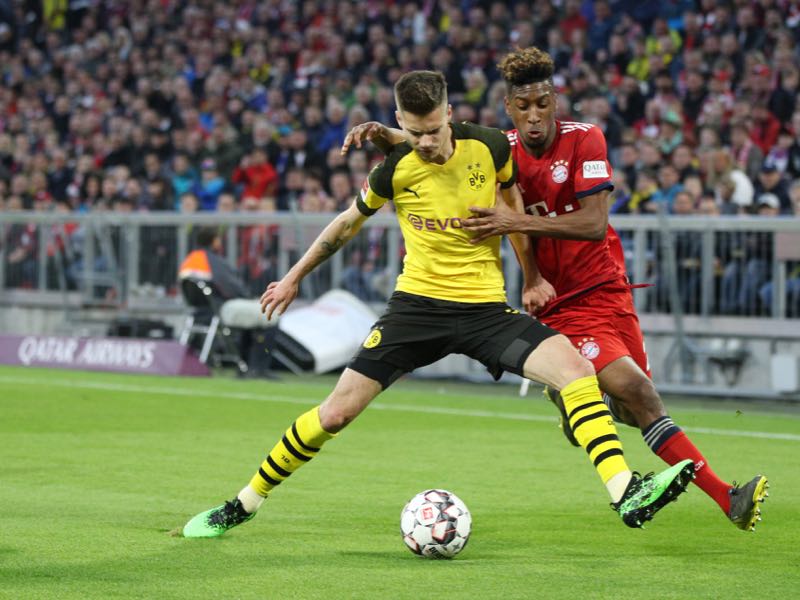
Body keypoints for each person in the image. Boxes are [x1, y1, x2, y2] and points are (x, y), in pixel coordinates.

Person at [181, 71, 694, 539]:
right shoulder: (394, 169)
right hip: (416, 309)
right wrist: (293, 277)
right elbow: (345, 224)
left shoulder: (490, 147)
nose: (426, 143)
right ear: (401, 123)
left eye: (433, 130)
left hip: (484, 310)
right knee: (335, 414)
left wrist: (532, 276)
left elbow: (512, 210)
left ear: (449, 114)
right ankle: (244, 503)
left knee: (575, 369)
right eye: (415, 132)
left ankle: (625, 491)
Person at [459, 47, 768, 531]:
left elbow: (592, 222)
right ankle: (728, 496)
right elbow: (443, 140)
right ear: (508, 108)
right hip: (563, 305)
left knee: (631, 407)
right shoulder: (502, 152)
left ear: (555, 99)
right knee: (643, 395)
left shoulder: (587, 139)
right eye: (524, 107)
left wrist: (512, 219)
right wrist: (533, 278)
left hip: (610, 289)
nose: (535, 115)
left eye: (543, 103)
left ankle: (576, 401)